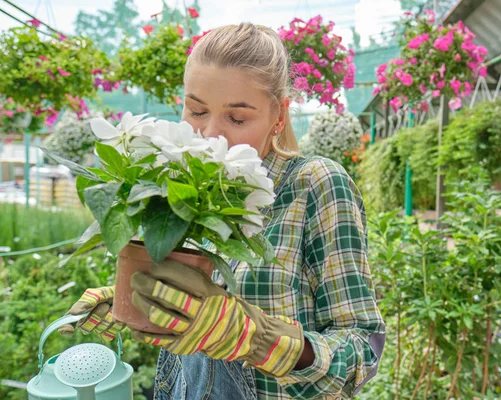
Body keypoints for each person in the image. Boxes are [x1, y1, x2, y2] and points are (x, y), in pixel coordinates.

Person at [59, 23, 386, 399]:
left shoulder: (315, 184)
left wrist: (255, 338)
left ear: (278, 116)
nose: (210, 135)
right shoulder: (185, 190)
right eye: (196, 110)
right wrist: (138, 293)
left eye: (237, 118)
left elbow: (364, 349)